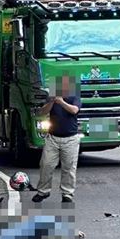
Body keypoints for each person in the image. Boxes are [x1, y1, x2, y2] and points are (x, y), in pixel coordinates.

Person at [32, 74, 82, 203]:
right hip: (53, 138)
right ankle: (43, 191)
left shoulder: (74, 98)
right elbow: (42, 112)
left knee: (69, 167)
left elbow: (74, 110)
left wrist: (61, 102)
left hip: (70, 138)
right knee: (46, 164)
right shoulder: (51, 99)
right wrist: (52, 102)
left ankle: (67, 194)